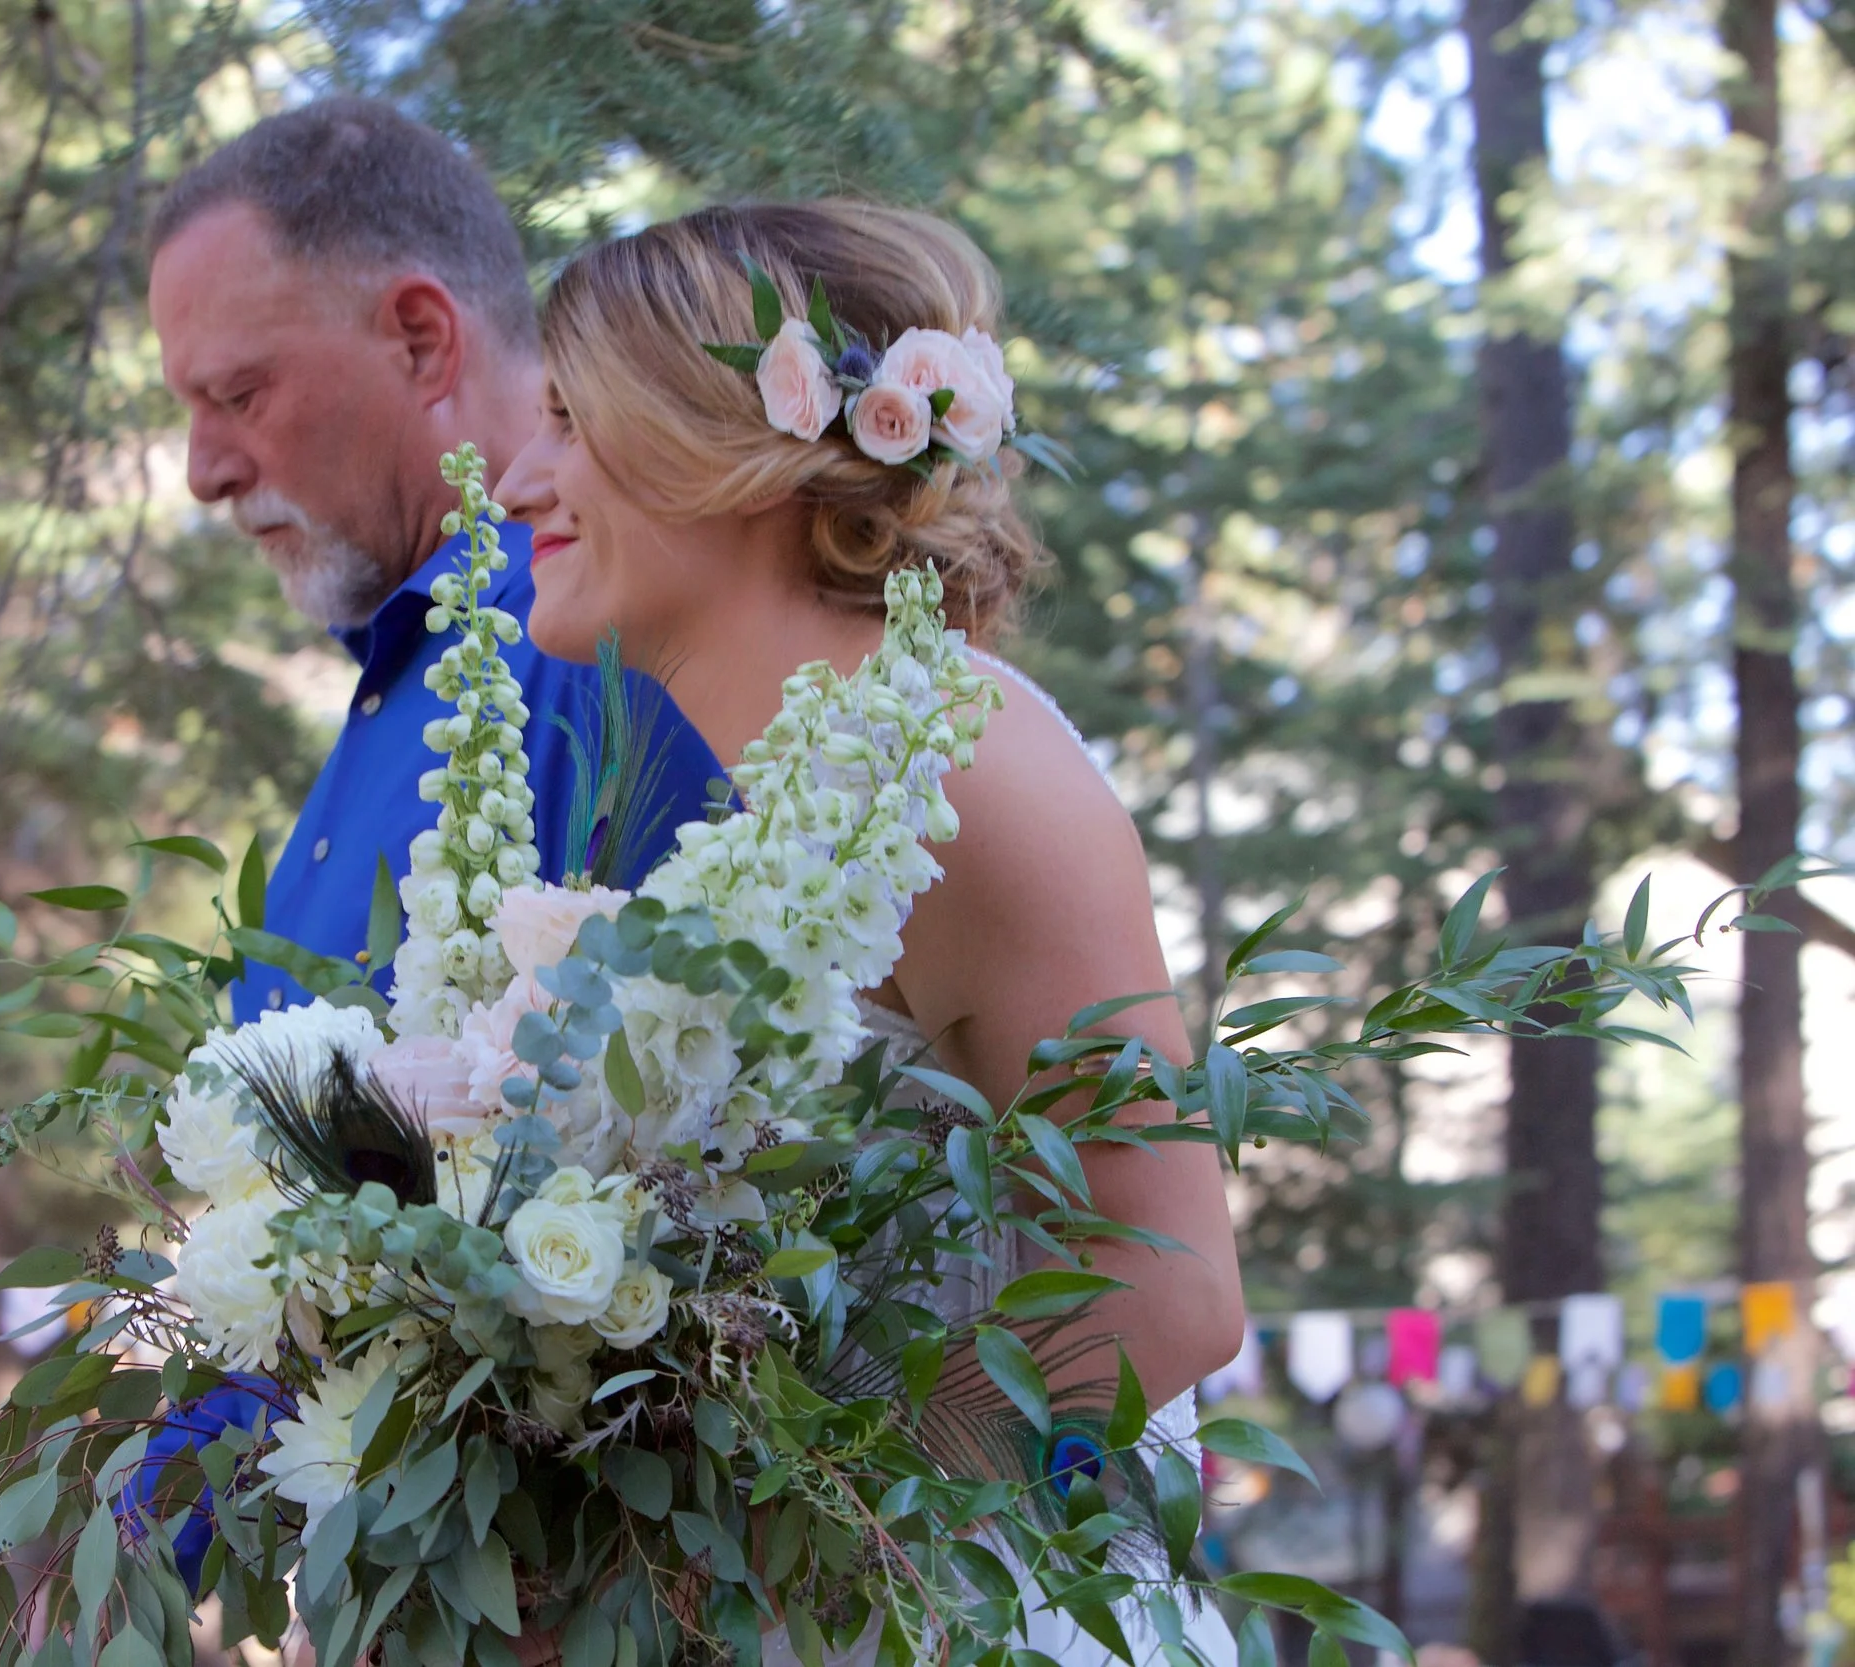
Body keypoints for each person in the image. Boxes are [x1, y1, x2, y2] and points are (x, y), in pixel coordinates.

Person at [493, 199, 1245, 1663]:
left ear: (731, 444)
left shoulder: (968, 764)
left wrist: (759, 1539)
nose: (523, 477)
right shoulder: (759, 805)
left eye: (573, 419)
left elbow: (1170, 1283)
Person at [128, 98, 723, 1574]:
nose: (203, 468)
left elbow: (675, 1191)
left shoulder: (604, 648)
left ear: (418, 336)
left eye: (239, 394)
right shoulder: (408, 672)